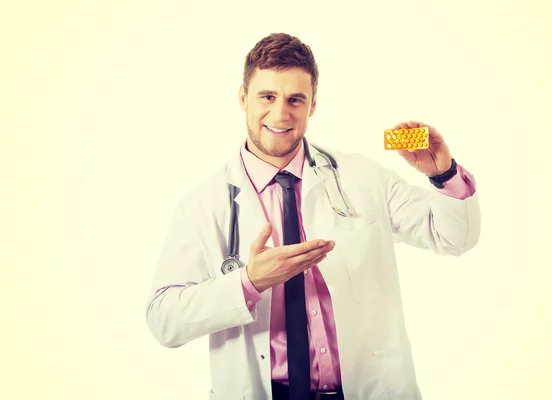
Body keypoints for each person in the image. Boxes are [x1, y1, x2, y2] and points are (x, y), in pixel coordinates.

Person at [145, 32, 481, 400]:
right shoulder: (202, 204)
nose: (280, 114)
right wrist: (248, 283)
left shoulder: (363, 177)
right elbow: (164, 320)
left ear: (313, 104)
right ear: (243, 98)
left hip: (368, 389)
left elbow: (455, 238)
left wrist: (443, 174)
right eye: (267, 97)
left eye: (295, 99)